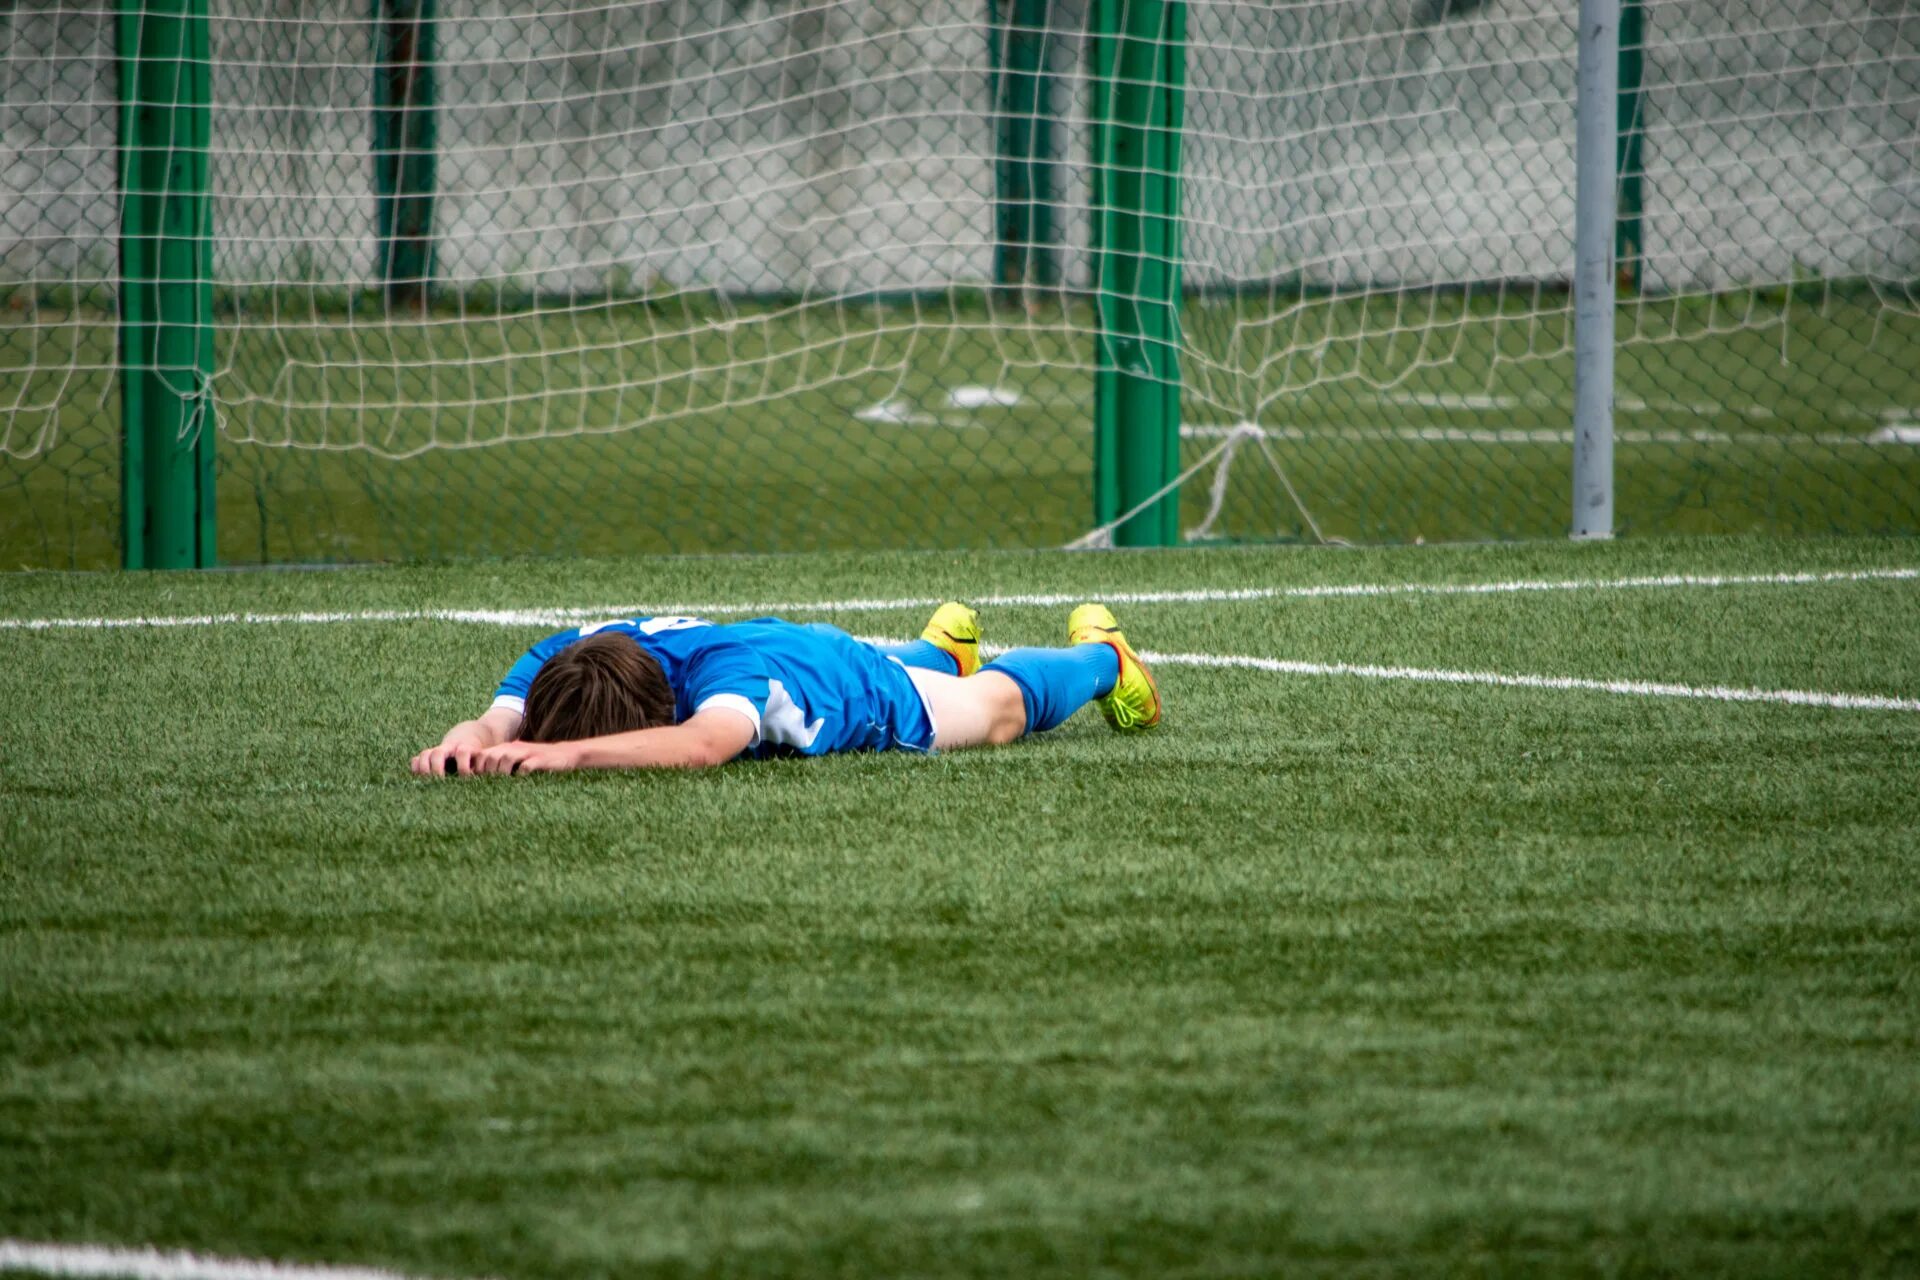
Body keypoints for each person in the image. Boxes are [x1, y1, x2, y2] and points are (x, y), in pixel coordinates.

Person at [410, 602, 1159, 777]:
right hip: (793, 645)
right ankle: (940, 647)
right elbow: (496, 719)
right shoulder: (564, 655)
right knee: (900, 660)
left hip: (855, 686)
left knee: (997, 714)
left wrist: (573, 758)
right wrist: (462, 746)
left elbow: (703, 746)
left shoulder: (720, 692)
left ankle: (1104, 658)